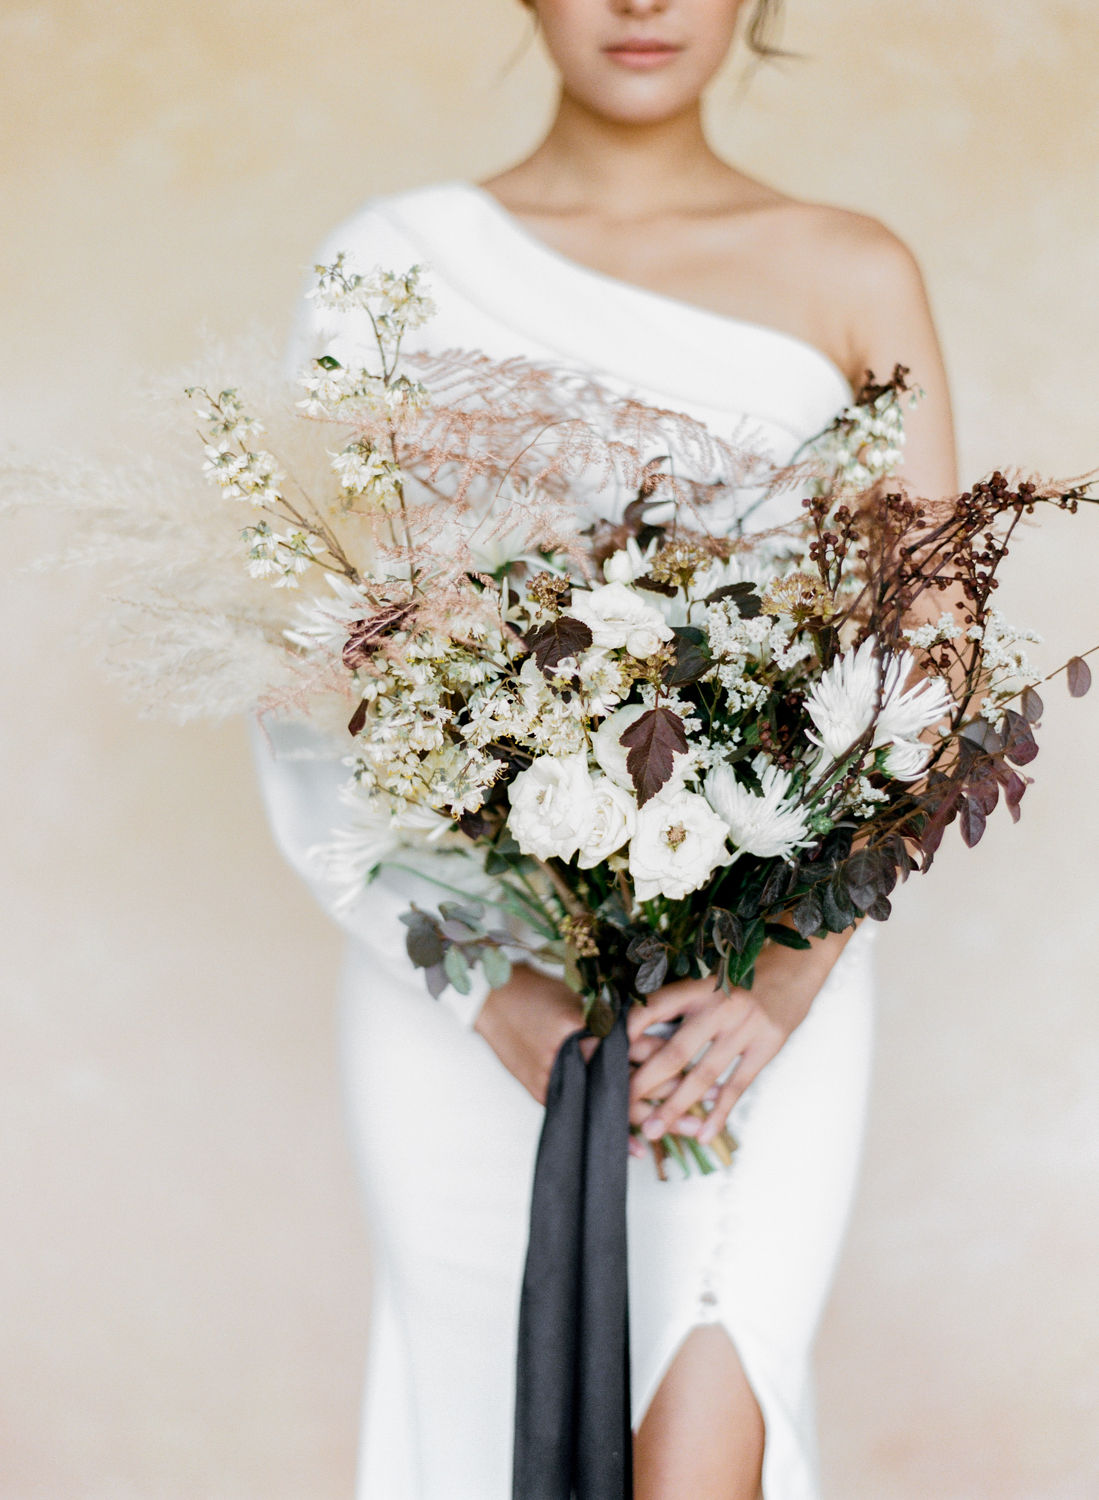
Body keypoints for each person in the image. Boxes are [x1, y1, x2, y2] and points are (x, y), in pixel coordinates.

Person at [252, 1, 958, 1496]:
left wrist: (783, 980)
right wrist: (490, 992)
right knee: (484, 1432)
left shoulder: (854, 271)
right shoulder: (392, 264)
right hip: (460, 987)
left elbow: (926, 668)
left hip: (754, 990)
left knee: (705, 1434)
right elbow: (312, 678)